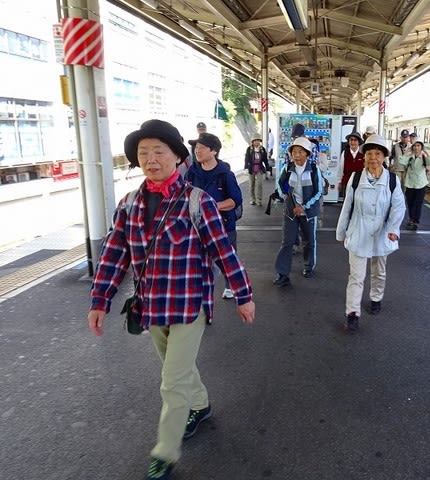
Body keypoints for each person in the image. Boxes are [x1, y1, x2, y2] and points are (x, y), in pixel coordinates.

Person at [87, 119, 255, 480]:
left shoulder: (198, 202)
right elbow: (114, 255)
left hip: (189, 304)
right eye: (143, 153)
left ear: (178, 157)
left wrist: (243, 294)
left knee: (171, 380)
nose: (150, 159)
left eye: (158, 151)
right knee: (175, 370)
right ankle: (202, 405)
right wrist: (99, 299)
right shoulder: (129, 203)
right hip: (151, 306)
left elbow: (223, 251)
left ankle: (165, 450)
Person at [335, 134, 405, 333]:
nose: (373, 158)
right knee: (356, 276)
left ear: (384, 157)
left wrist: (393, 228)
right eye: (369, 154)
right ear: (364, 157)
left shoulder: (392, 180)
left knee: (379, 271)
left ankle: (376, 297)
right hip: (358, 232)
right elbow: (347, 206)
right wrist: (341, 233)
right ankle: (352, 314)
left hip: (381, 233)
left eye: (377, 154)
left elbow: (398, 207)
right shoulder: (356, 179)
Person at [186, 132, 243, 303]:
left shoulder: (225, 174)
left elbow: (235, 200)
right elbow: (183, 193)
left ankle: (230, 286)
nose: (197, 151)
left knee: (228, 257)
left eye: (202, 148)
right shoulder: (192, 172)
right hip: (197, 225)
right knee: (200, 259)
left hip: (223, 224)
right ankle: (201, 292)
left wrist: (211, 207)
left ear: (214, 151)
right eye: (196, 148)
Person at [273, 136, 324, 286]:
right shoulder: (288, 167)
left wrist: (304, 207)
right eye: (294, 152)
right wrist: (287, 195)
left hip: (308, 213)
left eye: (300, 152)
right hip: (290, 211)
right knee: (287, 242)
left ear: (307, 154)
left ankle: (308, 266)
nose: (296, 155)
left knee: (309, 241)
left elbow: (318, 191)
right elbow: (281, 184)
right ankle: (282, 274)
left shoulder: (314, 169)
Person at [399, 141, 430, 230]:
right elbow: (401, 160)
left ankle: (415, 220)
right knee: (410, 202)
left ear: (421, 147)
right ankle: (411, 218)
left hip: (421, 183)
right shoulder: (410, 157)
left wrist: (427, 153)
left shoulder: (423, 157)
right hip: (410, 183)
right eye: (415, 146)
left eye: (418, 146)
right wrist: (406, 152)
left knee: (418, 203)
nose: (416, 148)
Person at [244, 133, 270, 206]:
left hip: (259, 168)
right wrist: (246, 168)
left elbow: (265, 160)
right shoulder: (249, 149)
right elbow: (246, 159)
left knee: (259, 184)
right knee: (251, 184)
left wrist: (268, 169)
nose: (256, 142)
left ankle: (259, 200)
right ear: (252, 141)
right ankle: (252, 199)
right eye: (255, 140)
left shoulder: (262, 149)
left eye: (258, 140)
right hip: (251, 168)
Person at [338, 132, 364, 198]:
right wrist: (339, 182)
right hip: (347, 182)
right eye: (351, 140)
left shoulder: (363, 154)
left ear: (359, 142)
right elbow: (341, 168)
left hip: (360, 182)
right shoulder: (345, 153)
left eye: (355, 140)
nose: (352, 142)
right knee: (346, 202)